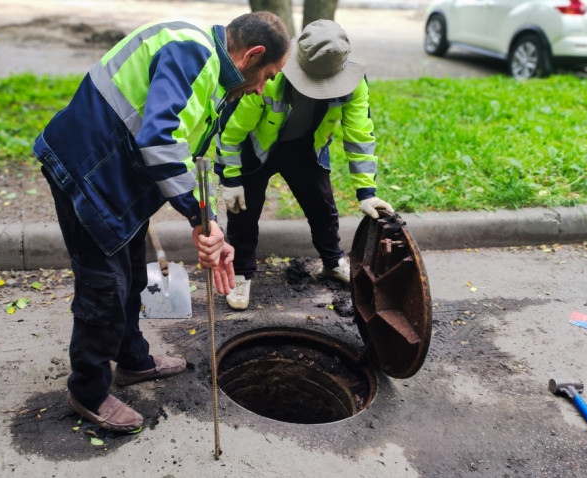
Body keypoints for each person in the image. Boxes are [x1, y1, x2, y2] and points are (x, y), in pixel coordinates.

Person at [31, 12, 289, 432]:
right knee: (104, 287)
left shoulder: (214, 75)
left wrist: (206, 221)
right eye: (268, 75)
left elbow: (189, 154)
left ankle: (132, 360)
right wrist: (199, 215)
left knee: (132, 275)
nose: (263, 88)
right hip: (87, 171)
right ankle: (88, 391)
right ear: (253, 55)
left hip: (117, 179)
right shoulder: (193, 52)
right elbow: (160, 140)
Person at [215, 19, 393, 310]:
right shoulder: (271, 77)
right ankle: (242, 272)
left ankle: (332, 262)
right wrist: (231, 179)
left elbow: (360, 136)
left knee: (322, 206)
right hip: (257, 148)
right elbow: (232, 131)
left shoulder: (354, 85)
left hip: (304, 147)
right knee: (244, 212)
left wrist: (367, 192)